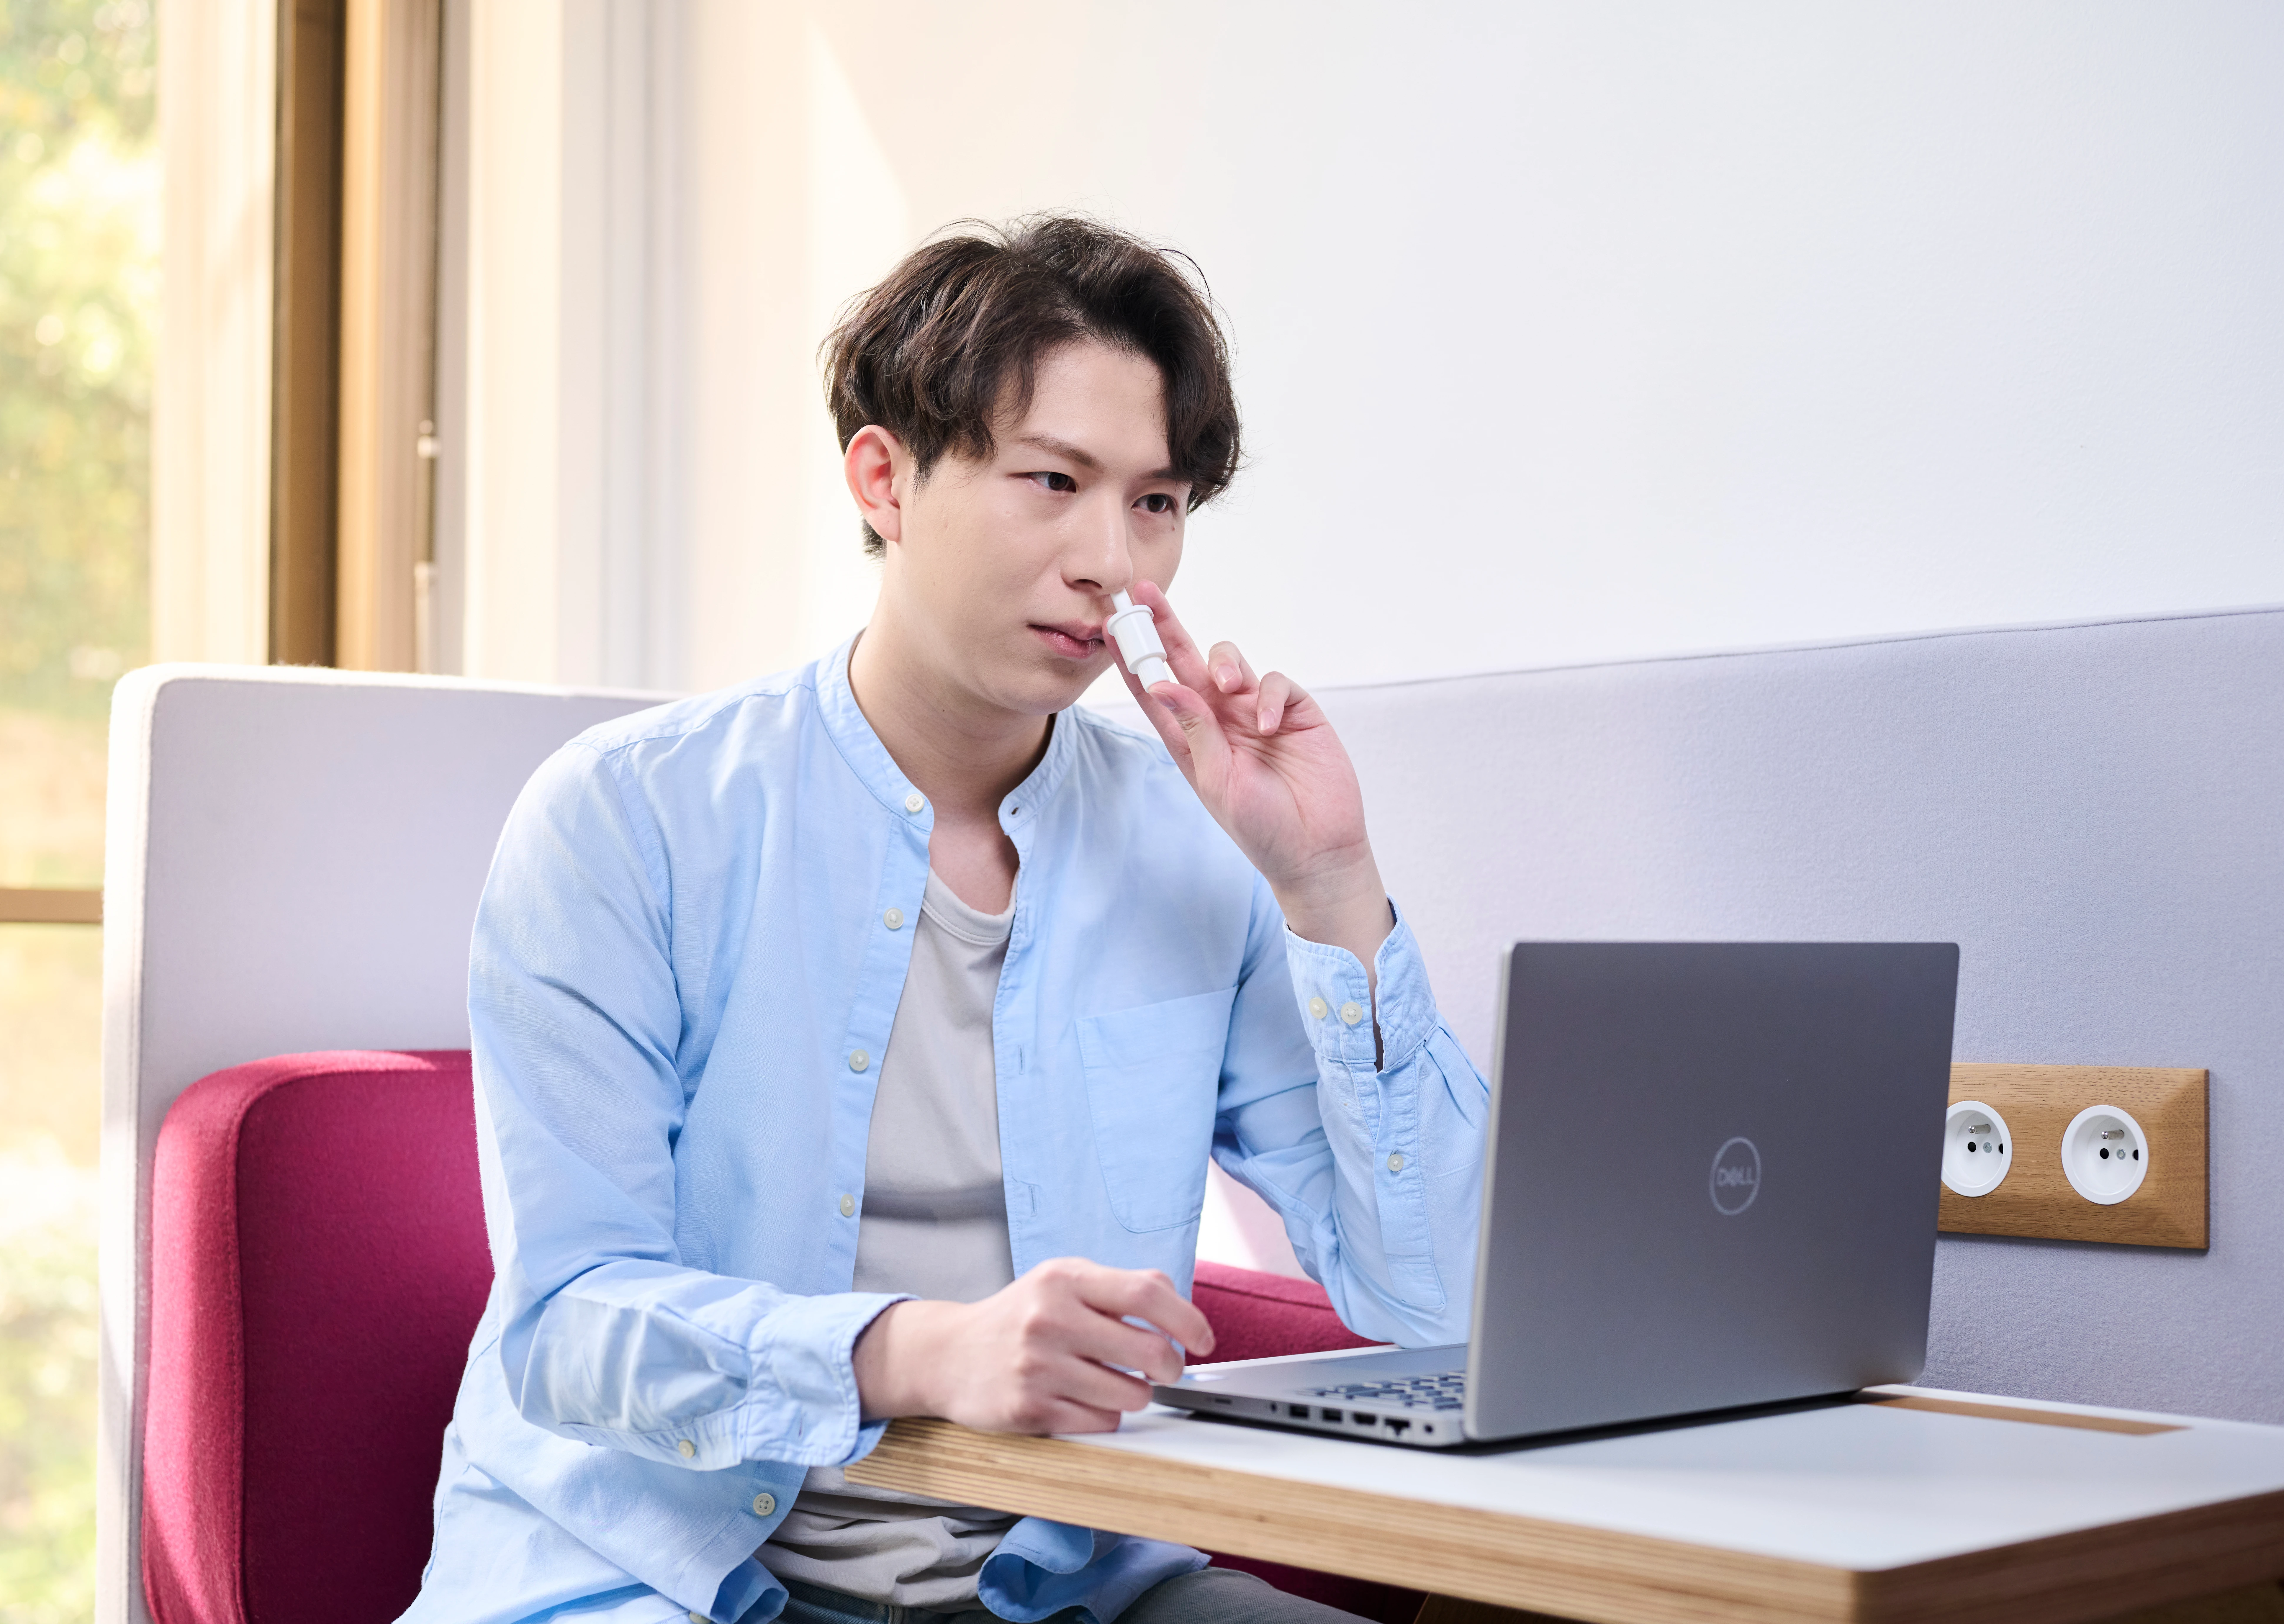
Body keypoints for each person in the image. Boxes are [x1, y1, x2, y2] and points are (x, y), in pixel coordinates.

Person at [400, 215, 1489, 1624]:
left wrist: (1329, 884)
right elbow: (571, 1320)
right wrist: (919, 1353)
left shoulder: (1194, 846)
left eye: (1157, 503)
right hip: (654, 1573)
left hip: (1069, 1581)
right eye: (1055, 481)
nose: (1113, 561)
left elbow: (1435, 1299)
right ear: (887, 477)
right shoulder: (627, 815)